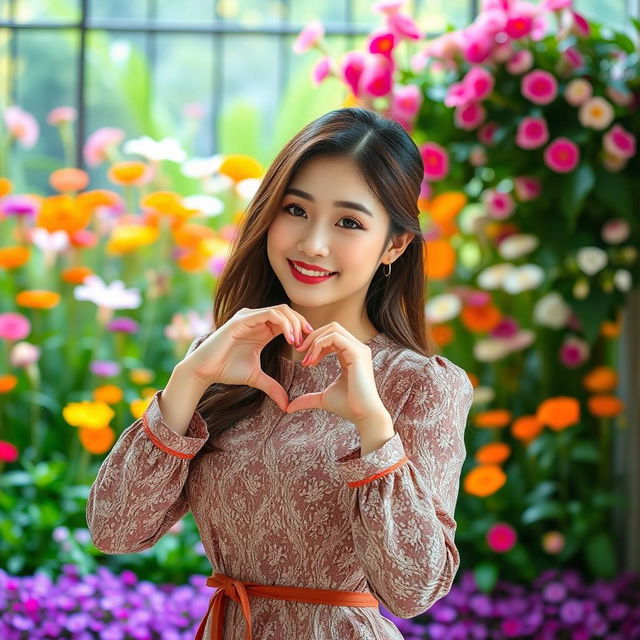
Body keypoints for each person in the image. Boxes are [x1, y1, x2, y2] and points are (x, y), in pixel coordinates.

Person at [86, 107, 474, 640]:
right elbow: (115, 529)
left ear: (395, 245)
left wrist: (373, 429)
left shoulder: (422, 385)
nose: (312, 243)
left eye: (349, 222)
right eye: (296, 209)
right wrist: (189, 378)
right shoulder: (227, 358)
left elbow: (413, 590)